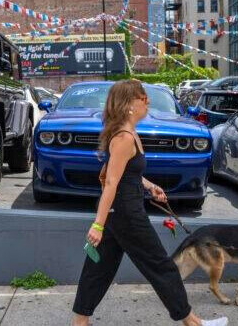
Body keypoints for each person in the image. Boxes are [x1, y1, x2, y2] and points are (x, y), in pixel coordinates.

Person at [71, 80, 228, 326]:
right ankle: (193, 323)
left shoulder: (129, 133)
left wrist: (149, 185)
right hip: (126, 214)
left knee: (98, 268)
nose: (148, 103)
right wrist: (98, 225)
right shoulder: (123, 137)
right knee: (161, 266)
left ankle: (79, 322)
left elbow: (127, 173)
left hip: (119, 213)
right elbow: (111, 182)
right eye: (144, 99)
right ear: (130, 104)